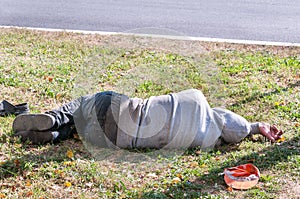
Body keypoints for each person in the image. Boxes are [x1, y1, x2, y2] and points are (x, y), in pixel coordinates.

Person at [13, 89, 284, 149]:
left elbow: (233, 123)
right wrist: (254, 128)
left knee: (86, 103)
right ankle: (55, 135)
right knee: (82, 130)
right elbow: (238, 128)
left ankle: (53, 117)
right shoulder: (200, 141)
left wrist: (253, 126)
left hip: (117, 111)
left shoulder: (198, 102)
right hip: (114, 142)